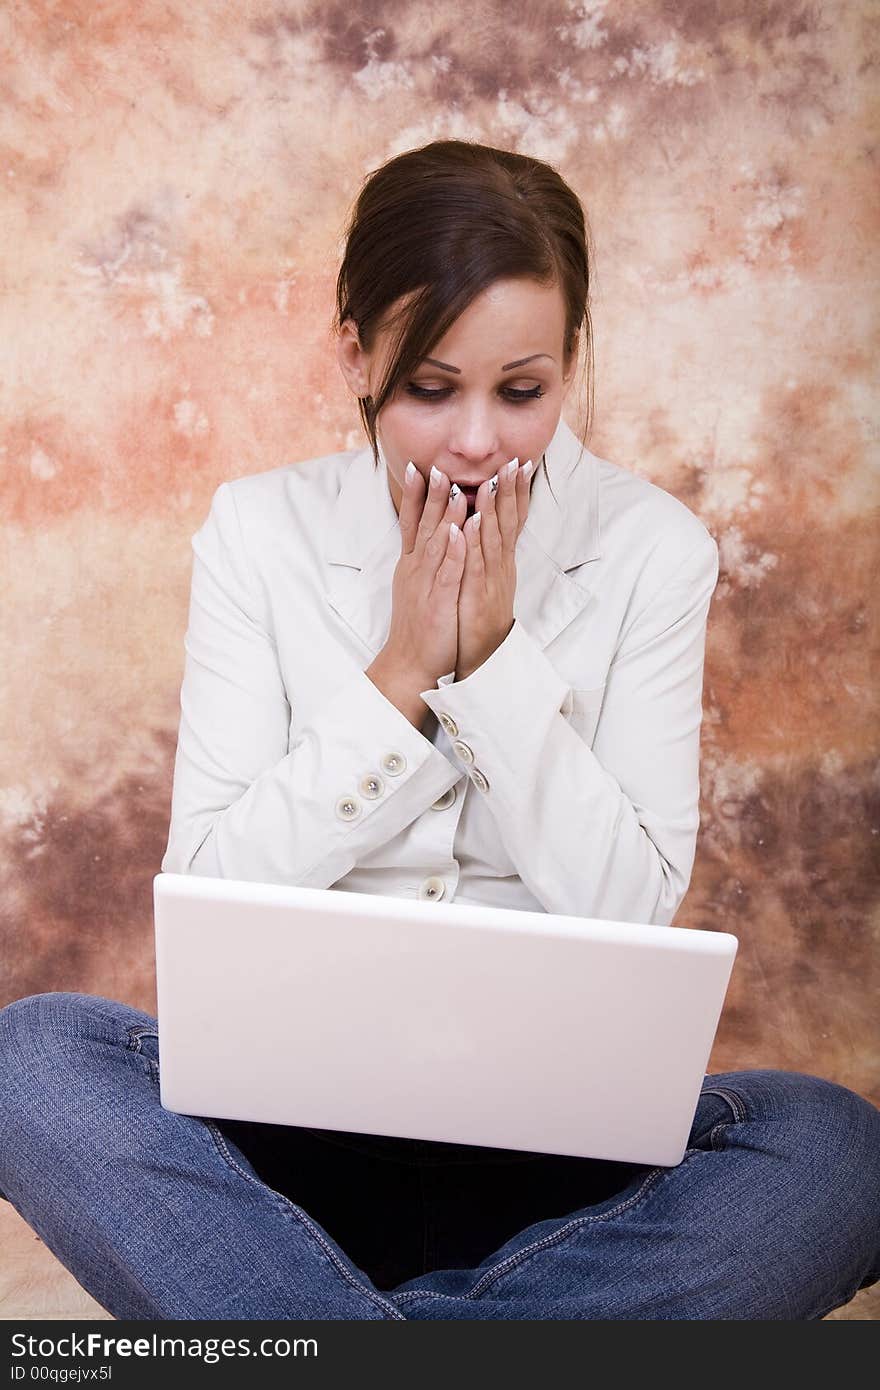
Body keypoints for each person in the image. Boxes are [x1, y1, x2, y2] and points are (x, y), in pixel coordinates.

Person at [1, 139, 878, 1321]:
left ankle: (322, 1333)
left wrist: (499, 661)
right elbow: (208, 880)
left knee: (833, 1148)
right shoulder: (257, 533)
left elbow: (628, 906)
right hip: (282, 1151)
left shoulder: (653, 550)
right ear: (355, 356)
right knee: (33, 1058)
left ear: (571, 363)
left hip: (567, 1167)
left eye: (522, 391)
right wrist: (405, 668)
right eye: (428, 387)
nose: (477, 442)